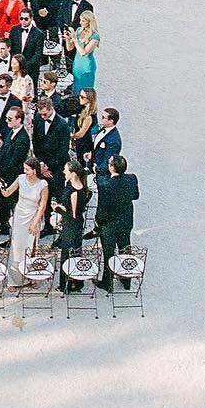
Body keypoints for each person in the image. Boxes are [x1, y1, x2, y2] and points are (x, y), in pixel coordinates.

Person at [95, 155, 141, 290]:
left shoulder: (106, 185)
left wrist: (99, 223)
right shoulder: (132, 179)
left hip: (110, 224)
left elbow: (102, 209)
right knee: (125, 249)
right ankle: (126, 278)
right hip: (126, 221)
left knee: (109, 252)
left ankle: (107, 282)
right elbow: (136, 196)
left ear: (112, 167)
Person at [0, 104, 31, 236]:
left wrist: (2, 173)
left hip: (12, 177)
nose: (7, 121)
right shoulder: (11, 131)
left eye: (10, 119)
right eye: (7, 118)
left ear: (19, 120)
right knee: (2, 203)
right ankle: (3, 226)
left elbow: (15, 162)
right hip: (3, 175)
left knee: (12, 205)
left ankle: (14, 234)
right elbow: (2, 150)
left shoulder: (22, 138)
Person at [7, 156, 49, 272]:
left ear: (34, 170)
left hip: (33, 215)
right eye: (24, 169)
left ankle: (29, 276)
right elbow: (7, 193)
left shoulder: (43, 184)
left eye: (27, 169)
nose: (25, 172)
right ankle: (15, 277)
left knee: (30, 246)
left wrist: (35, 223)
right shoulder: (20, 178)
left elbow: (42, 206)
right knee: (17, 246)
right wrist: (1, 186)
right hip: (20, 214)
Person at [54, 160, 90, 290]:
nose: (64, 172)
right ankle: (74, 282)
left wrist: (58, 209)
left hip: (72, 226)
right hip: (70, 223)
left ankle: (66, 285)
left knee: (68, 253)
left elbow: (72, 215)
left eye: (66, 170)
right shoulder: (71, 184)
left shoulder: (75, 192)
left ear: (73, 173)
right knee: (73, 252)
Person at [71, 10, 100, 95]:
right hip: (77, 65)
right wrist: (69, 39)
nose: (80, 23)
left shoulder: (95, 36)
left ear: (89, 22)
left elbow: (83, 52)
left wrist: (75, 40)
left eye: (83, 21)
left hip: (87, 66)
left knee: (86, 92)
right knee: (76, 90)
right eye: (80, 20)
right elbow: (70, 48)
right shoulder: (79, 30)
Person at [90, 106, 122, 174]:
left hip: (101, 173)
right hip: (93, 163)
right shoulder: (104, 128)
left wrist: (96, 169)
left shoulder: (114, 141)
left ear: (111, 121)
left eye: (103, 117)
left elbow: (108, 162)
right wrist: (91, 155)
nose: (101, 119)